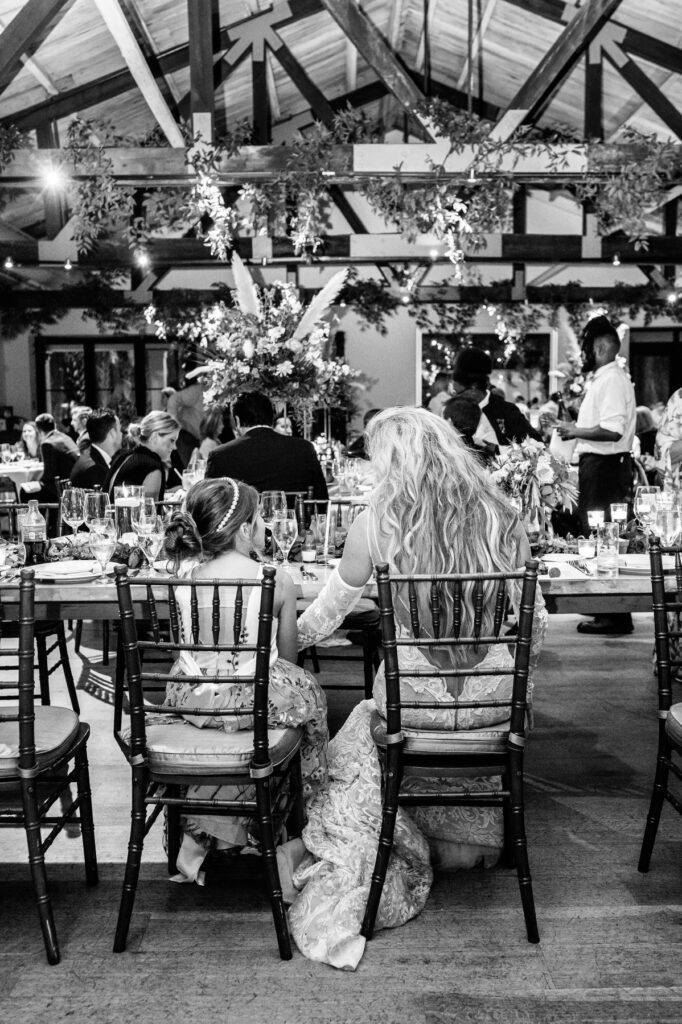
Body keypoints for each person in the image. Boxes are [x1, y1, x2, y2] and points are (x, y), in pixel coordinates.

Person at [284, 407, 547, 969]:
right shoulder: (505, 515)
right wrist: (509, 685)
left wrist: (278, 644)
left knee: (355, 735)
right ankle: (462, 827)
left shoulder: (376, 521)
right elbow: (535, 625)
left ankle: (379, 844)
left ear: (393, 462)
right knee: (384, 721)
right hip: (492, 712)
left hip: (415, 716)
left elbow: (326, 618)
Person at [157, 477, 328, 883]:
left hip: (191, 701)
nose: (264, 525)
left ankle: (208, 830)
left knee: (244, 723)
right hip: (252, 700)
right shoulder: (276, 579)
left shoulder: (182, 577)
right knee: (304, 710)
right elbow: (288, 659)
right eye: (260, 518)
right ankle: (289, 828)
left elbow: (185, 647)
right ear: (246, 528)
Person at [557, 315, 636, 635]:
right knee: (600, 535)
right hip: (601, 467)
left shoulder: (612, 380)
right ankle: (610, 612)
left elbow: (613, 430)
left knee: (604, 537)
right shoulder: (606, 378)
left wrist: (575, 429)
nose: (584, 355)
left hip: (606, 468)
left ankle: (613, 615)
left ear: (601, 347)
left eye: (588, 348)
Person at [206, 392, 328, 499]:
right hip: (294, 522)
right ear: (271, 417)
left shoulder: (220, 455)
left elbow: (208, 503)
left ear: (237, 420)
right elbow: (322, 498)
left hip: (245, 524)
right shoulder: (304, 448)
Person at [450, 348, 542, 450]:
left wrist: (498, 450)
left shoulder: (507, 411)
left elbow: (537, 443)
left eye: (458, 393)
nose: (455, 397)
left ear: (473, 389)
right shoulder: (458, 413)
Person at [103, 411, 179, 501]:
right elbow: (150, 512)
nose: (175, 447)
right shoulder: (152, 466)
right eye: (172, 440)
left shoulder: (123, 457)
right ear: (155, 437)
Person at [20, 412, 79, 502]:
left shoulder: (47, 443)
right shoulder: (65, 437)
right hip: (74, 483)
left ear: (39, 430)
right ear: (54, 425)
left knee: (25, 491)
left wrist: (34, 482)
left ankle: (34, 515)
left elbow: (49, 475)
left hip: (62, 488)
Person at [70, 409, 122, 489]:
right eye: (120, 430)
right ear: (112, 433)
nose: (122, 434)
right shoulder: (95, 469)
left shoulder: (91, 457)